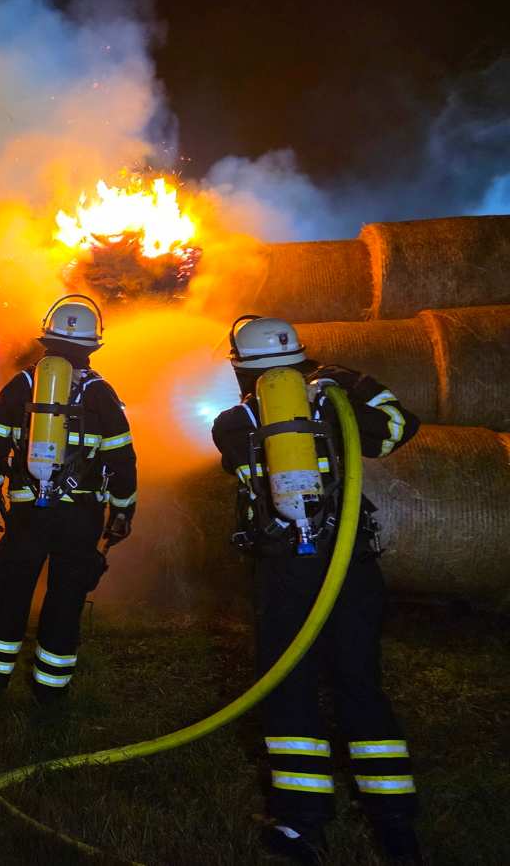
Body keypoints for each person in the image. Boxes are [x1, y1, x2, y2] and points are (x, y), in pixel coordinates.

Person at [211, 315, 423, 865]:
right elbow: (401, 427)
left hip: (284, 567)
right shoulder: (340, 391)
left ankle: (302, 824)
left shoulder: (234, 421)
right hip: (349, 555)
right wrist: (343, 392)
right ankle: (395, 823)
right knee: (359, 680)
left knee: (289, 685)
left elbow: (238, 466)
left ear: (241, 366)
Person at [0, 295, 136, 703]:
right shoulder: (101, 394)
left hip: (28, 513)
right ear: (93, 346)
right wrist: (123, 510)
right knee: (66, 599)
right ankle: (50, 689)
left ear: (45, 340)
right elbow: (122, 459)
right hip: (81, 516)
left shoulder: (20, 385)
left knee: (11, 594)